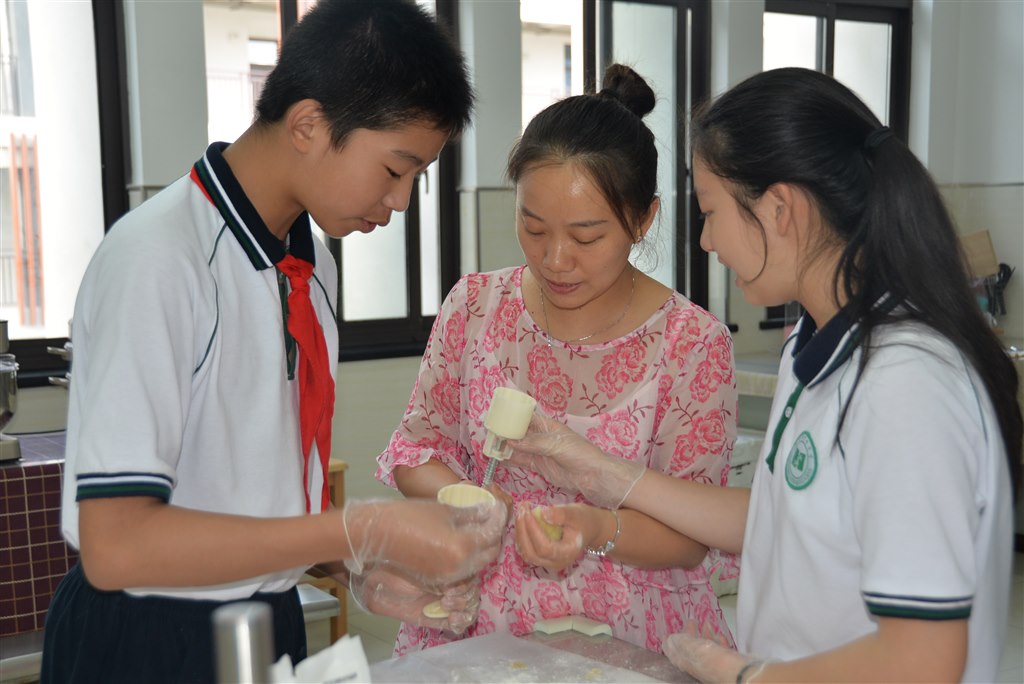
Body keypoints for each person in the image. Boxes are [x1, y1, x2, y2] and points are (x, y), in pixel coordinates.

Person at [40, 2, 507, 682]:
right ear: (308, 124)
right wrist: (359, 528)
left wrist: (352, 565)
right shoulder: (160, 258)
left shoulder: (310, 268)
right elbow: (116, 545)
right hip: (148, 633)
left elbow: (250, 492)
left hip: (267, 615)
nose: (402, 201)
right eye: (394, 169)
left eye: (418, 177)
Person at [509, 67, 1023, 683]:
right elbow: (781, 515)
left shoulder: (905, 385)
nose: (706, 241)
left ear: (779, 209)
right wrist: (598, 472)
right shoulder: (815, 343)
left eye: (711, 212)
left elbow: (925, 660)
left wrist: (745, 675)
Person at [376, 64, 738, 657]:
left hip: (629, 628)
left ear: (643, 219)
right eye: (534, 227)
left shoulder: (692, 343)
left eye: (587, 237)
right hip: (476, 616)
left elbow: (691, 536)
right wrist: (471, 501)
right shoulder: (475, 306)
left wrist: (596, 529)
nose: (556, 259)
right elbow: (416, 453)